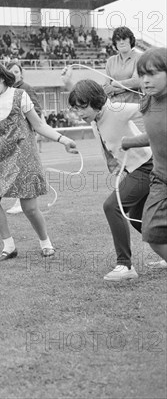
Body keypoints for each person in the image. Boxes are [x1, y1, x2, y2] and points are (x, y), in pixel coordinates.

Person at [0, 61, 78, 261]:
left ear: (1, 77)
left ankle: (45, 242)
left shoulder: (19, 95)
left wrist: (63, 140)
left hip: (22, 155)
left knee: (30, 208)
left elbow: (39, 125)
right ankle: (9, 246)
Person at [64, 74, 153, 281]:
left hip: (147, 167)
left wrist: (151, 90)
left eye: (82, 107)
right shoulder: (95, 119)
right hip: (133, 170)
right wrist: (114, 166)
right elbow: (107, 144)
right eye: (76, 108)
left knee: (112, 206)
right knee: (139, 219)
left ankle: (125, 266)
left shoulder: (114, 110)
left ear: (96, 101)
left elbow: (147, 107)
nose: (79, 113)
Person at [121, 47, 167, 269]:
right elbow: (156, 134)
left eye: (153, 74)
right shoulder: (147, 102)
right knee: (152, 233)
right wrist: (130, 141)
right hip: (160, 178)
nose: (146, 81)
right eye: (142, 75)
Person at [6, 61, 45, 215]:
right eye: (11, 71)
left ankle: (21, 202)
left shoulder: (26, 88)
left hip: (25, 133)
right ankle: (21, 200)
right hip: (12, 134)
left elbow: (37, 109)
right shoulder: (7, 90)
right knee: (16, 167)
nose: (14, 74)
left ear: (21, 73)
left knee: (24, 168)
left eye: (16, 71)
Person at [104, 27, 142, 105]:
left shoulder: (140, 58)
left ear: (130, 40)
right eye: (118, 40)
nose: (121, 42)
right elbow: (106, 88)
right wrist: (128, 87)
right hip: (114, 106)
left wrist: (115, 84)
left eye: (124, 39)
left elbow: (137, 82)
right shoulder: (111, 61)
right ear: (115, 43)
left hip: (133, 106)